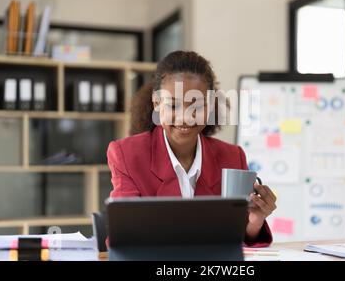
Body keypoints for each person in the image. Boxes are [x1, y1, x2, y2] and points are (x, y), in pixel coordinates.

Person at [107, 50, 276, 247]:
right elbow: (122, 238)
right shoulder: (126, 154)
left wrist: (255, 222)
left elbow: (238, 238)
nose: (185, 117)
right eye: (173, 106)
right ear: (157, 104)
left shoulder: (232, 157)